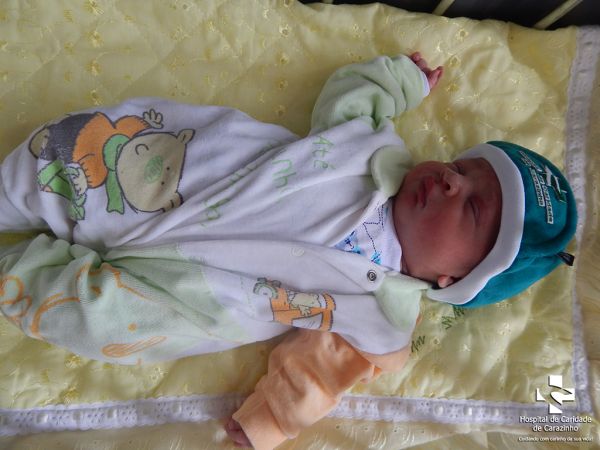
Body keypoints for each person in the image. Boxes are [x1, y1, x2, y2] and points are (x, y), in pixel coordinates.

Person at [0, 53, 577, 449]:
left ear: (454, 279)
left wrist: (273, 419)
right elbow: (353, 96)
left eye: (472, 208)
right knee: (74, 158)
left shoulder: (384, 319)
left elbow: (319, 373)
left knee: (98, 319)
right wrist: (400, 79)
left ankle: (18, 277)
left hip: (193, 294)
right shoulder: (372, 147)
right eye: (461, 168)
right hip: (183, 185)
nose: (451, 181)